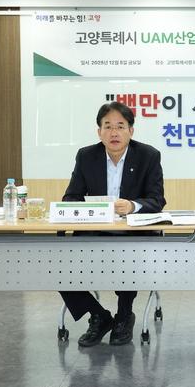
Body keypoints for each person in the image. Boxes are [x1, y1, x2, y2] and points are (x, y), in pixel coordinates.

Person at [59, 101, 166, 347]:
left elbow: (157, 200)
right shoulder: (86, 156)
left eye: (120, 126)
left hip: (133, 234)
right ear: (99, 132)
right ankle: (98, 315)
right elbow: (71, 198)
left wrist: (132, 206)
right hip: (94, 232)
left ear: (131, 130)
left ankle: (124, 315)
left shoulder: (148, 156)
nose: (114, 132)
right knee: (60, 264)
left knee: (126, 255)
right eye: (107, 126)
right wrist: (92, 209)